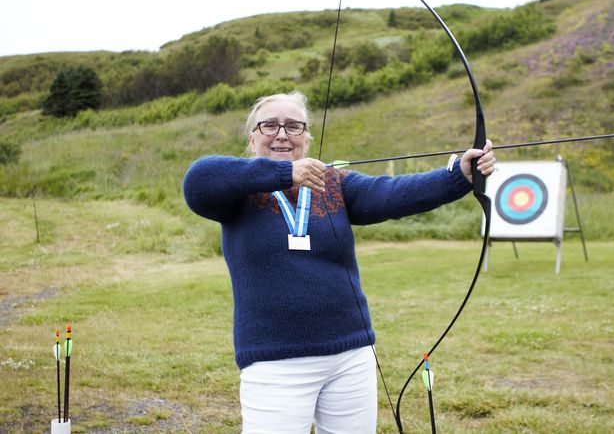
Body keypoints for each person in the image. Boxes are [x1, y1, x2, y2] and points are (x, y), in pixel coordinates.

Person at [183, 91, 495, 433]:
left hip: (350, 355)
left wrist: (459, 176)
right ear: (253, 137)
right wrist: (285, 174)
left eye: (294, 126)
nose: (282, 133)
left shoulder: (332, 184)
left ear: (307, 137)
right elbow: (198, 180)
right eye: (269, 125)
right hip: (275, 361)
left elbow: (391, 194)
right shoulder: (237, 192)